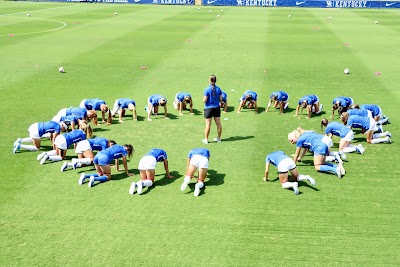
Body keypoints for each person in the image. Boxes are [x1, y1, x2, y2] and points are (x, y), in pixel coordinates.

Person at [202, 75, 223, 144]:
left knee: (208, 125)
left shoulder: (207, 89)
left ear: (210, 80)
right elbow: (220, 99)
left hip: (208, 108)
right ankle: (219, 138)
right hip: (216, 108)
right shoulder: (218, 89)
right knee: (218, 124)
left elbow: (204, 100)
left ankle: (206, 139)